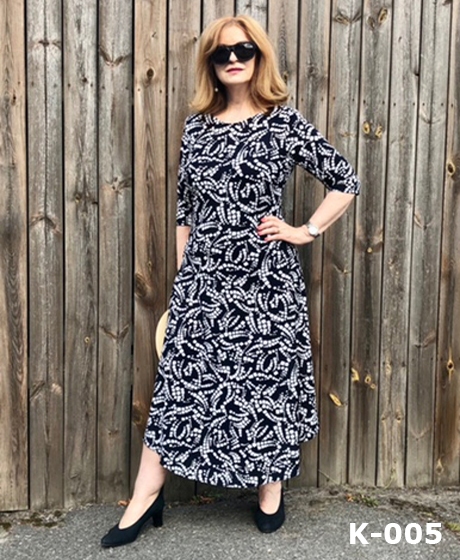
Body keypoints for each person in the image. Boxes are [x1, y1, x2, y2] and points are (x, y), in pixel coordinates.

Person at [101, 14, 360, 548]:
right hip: (204, 279)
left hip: (266, 279)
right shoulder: (197, 127)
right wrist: (186, 276)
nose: (234, 59)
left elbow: (345, 180)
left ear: (259, 56)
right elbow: (185, 210)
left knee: (267, 384)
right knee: (180, 382)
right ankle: (146, 496)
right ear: (211, 65)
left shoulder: (283, 123)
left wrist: (305, 230)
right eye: (222, 53)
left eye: (243, 50)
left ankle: (271, 489)